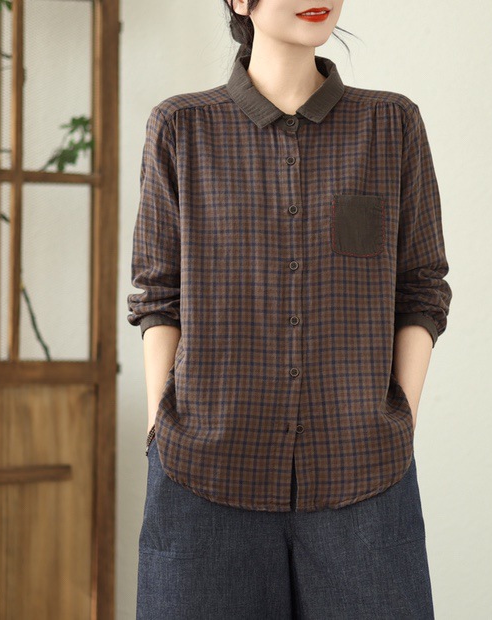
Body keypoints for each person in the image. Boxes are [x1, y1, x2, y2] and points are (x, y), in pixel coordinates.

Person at [127, 0, 452, 617]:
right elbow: (158, 295)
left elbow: (421, 287)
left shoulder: (391, 125)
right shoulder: (181, 127)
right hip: (203, 476)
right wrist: (158, 429)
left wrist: (399, 419)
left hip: (365, 479)